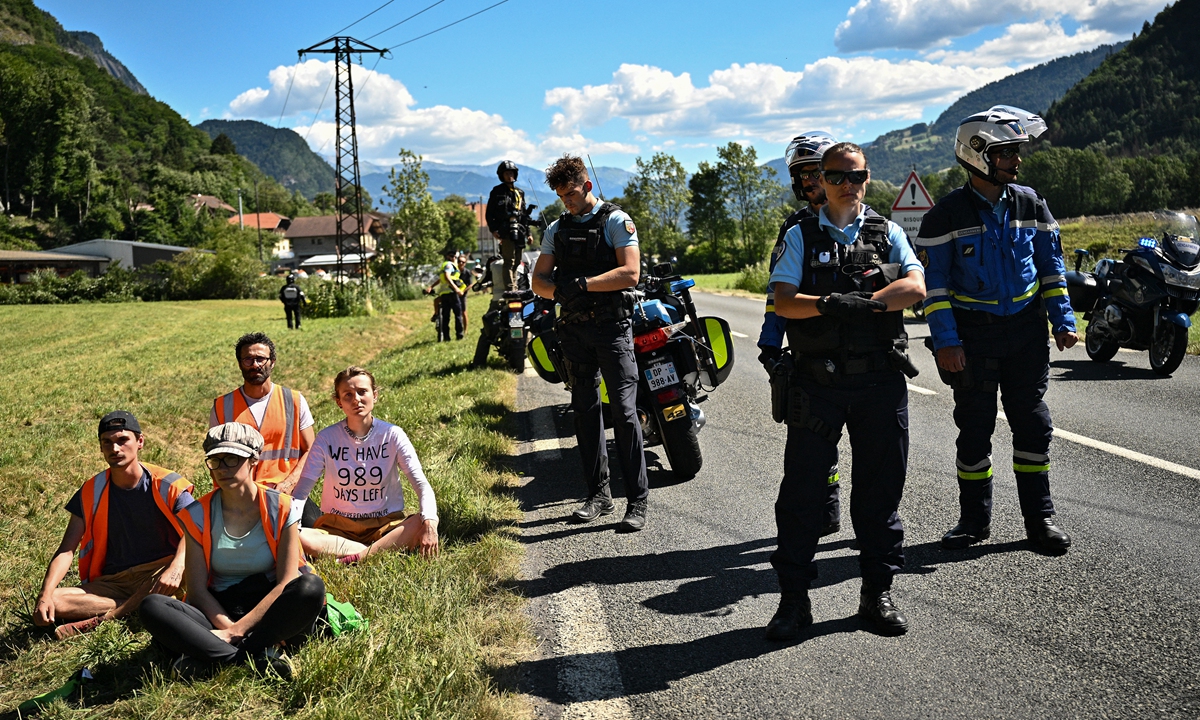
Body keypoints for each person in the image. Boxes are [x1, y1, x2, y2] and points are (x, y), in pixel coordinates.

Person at [765, 142, 926, 639]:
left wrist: (869, 304)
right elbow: (784, 301)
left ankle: (877, 593)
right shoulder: (800, 234)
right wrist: (833, 304)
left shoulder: (888, 232)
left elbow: (917, 286)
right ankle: (794, 601)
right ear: (823, 179)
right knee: (802, 495)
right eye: (837, 177)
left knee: (880, 494)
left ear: (867, 179)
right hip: (818, 383)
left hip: (880, 381)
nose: (846, 186)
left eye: (856, 178)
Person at [914, 106, 1076, 554]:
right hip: (973, 337)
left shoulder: (1030, 202)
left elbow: (1051, 267)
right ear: (979, 153)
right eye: (1007, 153)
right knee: (974, 428)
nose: (1017, 161)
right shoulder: (943, 216)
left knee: (1033, 425)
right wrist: (946, 342)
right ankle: (973, 521)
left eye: (1017, 152)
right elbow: (935, 288)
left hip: (1026, 333)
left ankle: (1040, 520)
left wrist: (1063, 320)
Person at [140, 423, 326, 680]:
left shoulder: (282, 507)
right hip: (219, 610)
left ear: (253, 460)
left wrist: (239, 630)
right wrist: (229, 628)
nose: (222, 468)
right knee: (152, 606)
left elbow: (286, 581)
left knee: (310, 588)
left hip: (270, 609)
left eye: (231, 459)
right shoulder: (197, 514)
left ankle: (211, 658)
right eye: (215, 461)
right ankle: (253, 656)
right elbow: (196, 590)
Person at [531, 154, 649, 532]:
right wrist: (562, 294)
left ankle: (637, 501)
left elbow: (631, 273)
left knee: (625, 415)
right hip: (576, 332)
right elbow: (539, 281)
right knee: (585, 412)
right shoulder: (557, 229)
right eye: (560, 196)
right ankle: (598, 495)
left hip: (612, 328)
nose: (566, 201)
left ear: (587, 186)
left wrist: (583, 285)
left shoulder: (615, 220)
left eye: (570, 193)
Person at [34, 411, 195, 639]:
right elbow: (66, 549)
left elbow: (196, 528)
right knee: (56, 600)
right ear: (100, 447)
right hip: (114, 583)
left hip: (161, 572)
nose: (115, 448)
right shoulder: (91, 490)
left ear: (140, 442)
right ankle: (134, 606)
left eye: (122, 440)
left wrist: (177, 567)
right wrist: (44, 594)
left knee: (191, 565)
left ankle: (103, 619)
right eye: (107, 442)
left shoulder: (168, 483)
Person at [759, 131, 844, 538]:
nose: (809, 182)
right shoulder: (793, 229)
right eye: (802, 176)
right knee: (814, 448)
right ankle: (826, 512)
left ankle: (873, 523)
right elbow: (777, 296)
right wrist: (769, 346)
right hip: (812, 357)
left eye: (816, 173)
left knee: (876, 452)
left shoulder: (870, 224)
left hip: (867, 357)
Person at [292, 366, 439, 563]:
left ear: (375, 395)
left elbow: (421, 484)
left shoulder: (393, 434)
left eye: (362, 392)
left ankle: (355, 557)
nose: (356, 399)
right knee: (299, 536)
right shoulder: (327, 438)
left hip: (384, 525)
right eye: (348, 395)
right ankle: (374, 552)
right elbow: (301, 491)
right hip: (337, 528)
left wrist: (430, 523)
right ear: (338, 402)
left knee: (421, 522)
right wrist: (291, 525)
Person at [210, 332, 317, 524]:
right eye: (248, 359)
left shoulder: (294, 400)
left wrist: (289, 484)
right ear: (239, 363)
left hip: (286, 492)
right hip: (240, 497)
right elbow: (215, 460)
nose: (255, 365)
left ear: (272, 362)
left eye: (260, 359)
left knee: (315, 534)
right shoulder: (222, 406)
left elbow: (312, 450)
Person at [487, 160, 532, 292]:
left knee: (517, 260)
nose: (509, 175)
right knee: (509, 261)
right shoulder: (497, 192)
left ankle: (516, 286)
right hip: (505, 230)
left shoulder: (520, 193)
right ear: (502, 175)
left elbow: (524, 216)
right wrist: (493, 229)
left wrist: (528, 233)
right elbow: (490, 213)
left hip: (520, 230)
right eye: (506, 173)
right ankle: (511, 288)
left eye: (511, 172)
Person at [428, 249, 465, 342]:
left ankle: (446, 337)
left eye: (455, 256)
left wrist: (431, 286)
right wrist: (456, 289)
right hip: (451, 293)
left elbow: (441, 279)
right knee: (457, 315)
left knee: (446, 317)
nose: (454, 258)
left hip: (444, 294)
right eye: (453, 256)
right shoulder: (449, 265)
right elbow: (447, 277)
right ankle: (459, 336)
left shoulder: (445, 265)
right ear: (448, 257)